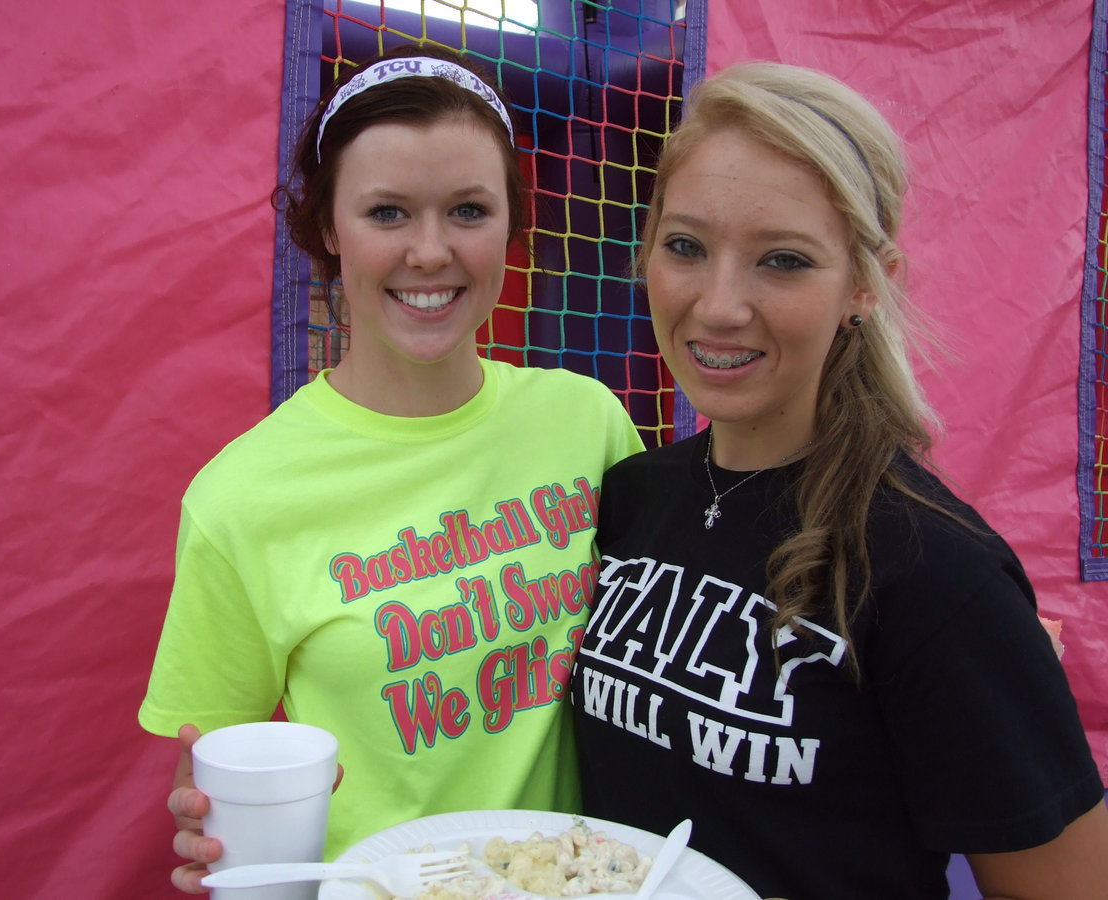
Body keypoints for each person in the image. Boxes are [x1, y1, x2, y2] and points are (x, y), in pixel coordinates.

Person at [570, 61, 1108, 900]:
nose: (718, 305)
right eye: (685, 246)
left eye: (782, 261)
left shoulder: (934, 571)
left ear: (865, 285)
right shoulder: (633, 496)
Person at [139, 43, 644, 893]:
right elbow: (213, 779)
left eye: (469, 210)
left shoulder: (586, 421)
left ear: (512, 223)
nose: (430, 252)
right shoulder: (241, 498)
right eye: (387, 213)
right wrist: (214, 834)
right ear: (329, 228)